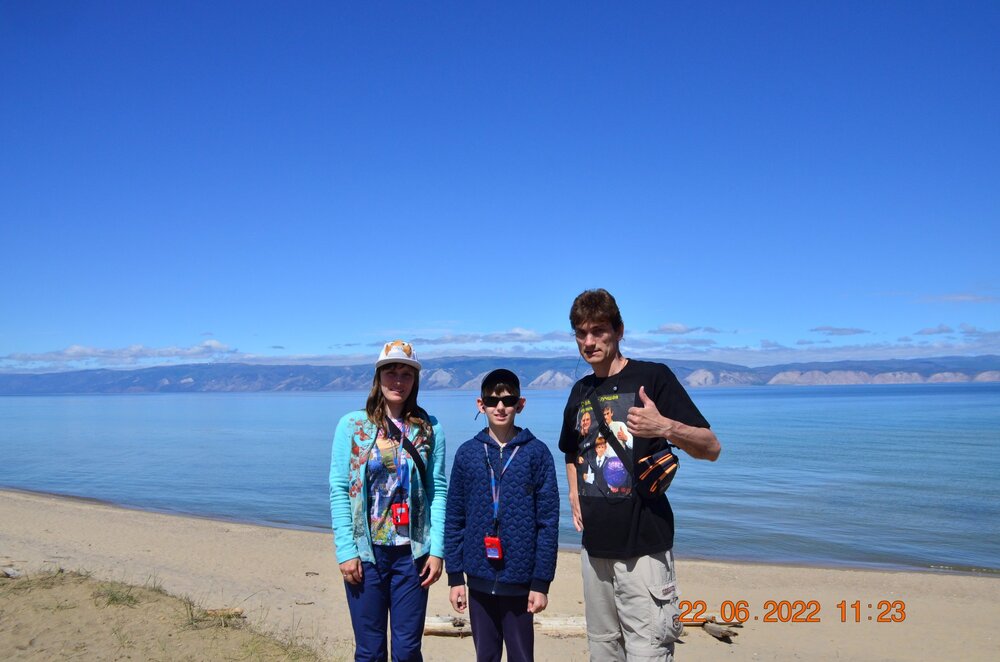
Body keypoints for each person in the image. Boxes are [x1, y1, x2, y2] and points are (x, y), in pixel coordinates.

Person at [559, 290, 721, 661]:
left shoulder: (652, 377)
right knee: (602, 651)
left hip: (644, 548)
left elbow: (711, 447)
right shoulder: (580, 391)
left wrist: (664, 426)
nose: (589, 341)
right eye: (581, 333)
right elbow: (570, 449)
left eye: (598, 331)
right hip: (594, 550)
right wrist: (573, 493)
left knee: (649, 652)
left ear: (618, 331)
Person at [330, 340, 447, 662]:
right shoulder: (352, 426)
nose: (398, 381)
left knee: (407, 650)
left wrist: (437, 550)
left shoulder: (429, 429)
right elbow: (339, 489)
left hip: (413, 555)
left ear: (415, 380)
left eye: (406, 374)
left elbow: (437, 490)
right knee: (369, 650)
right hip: (366, 555)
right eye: (391, 373)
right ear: (378, 377)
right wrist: (346, 550)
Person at [445, 369, 559, 662]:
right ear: (480, 404)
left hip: (520, 579)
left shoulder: (537, 454)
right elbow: (455, 517)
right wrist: (455, 576)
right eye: (492, 400)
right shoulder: (467, 454)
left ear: (520, 404)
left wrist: (541, 582)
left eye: (508, 401)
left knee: (521, 656)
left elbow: (548, 522)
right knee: (485, 655)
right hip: (478, 576)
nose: (500, 407)